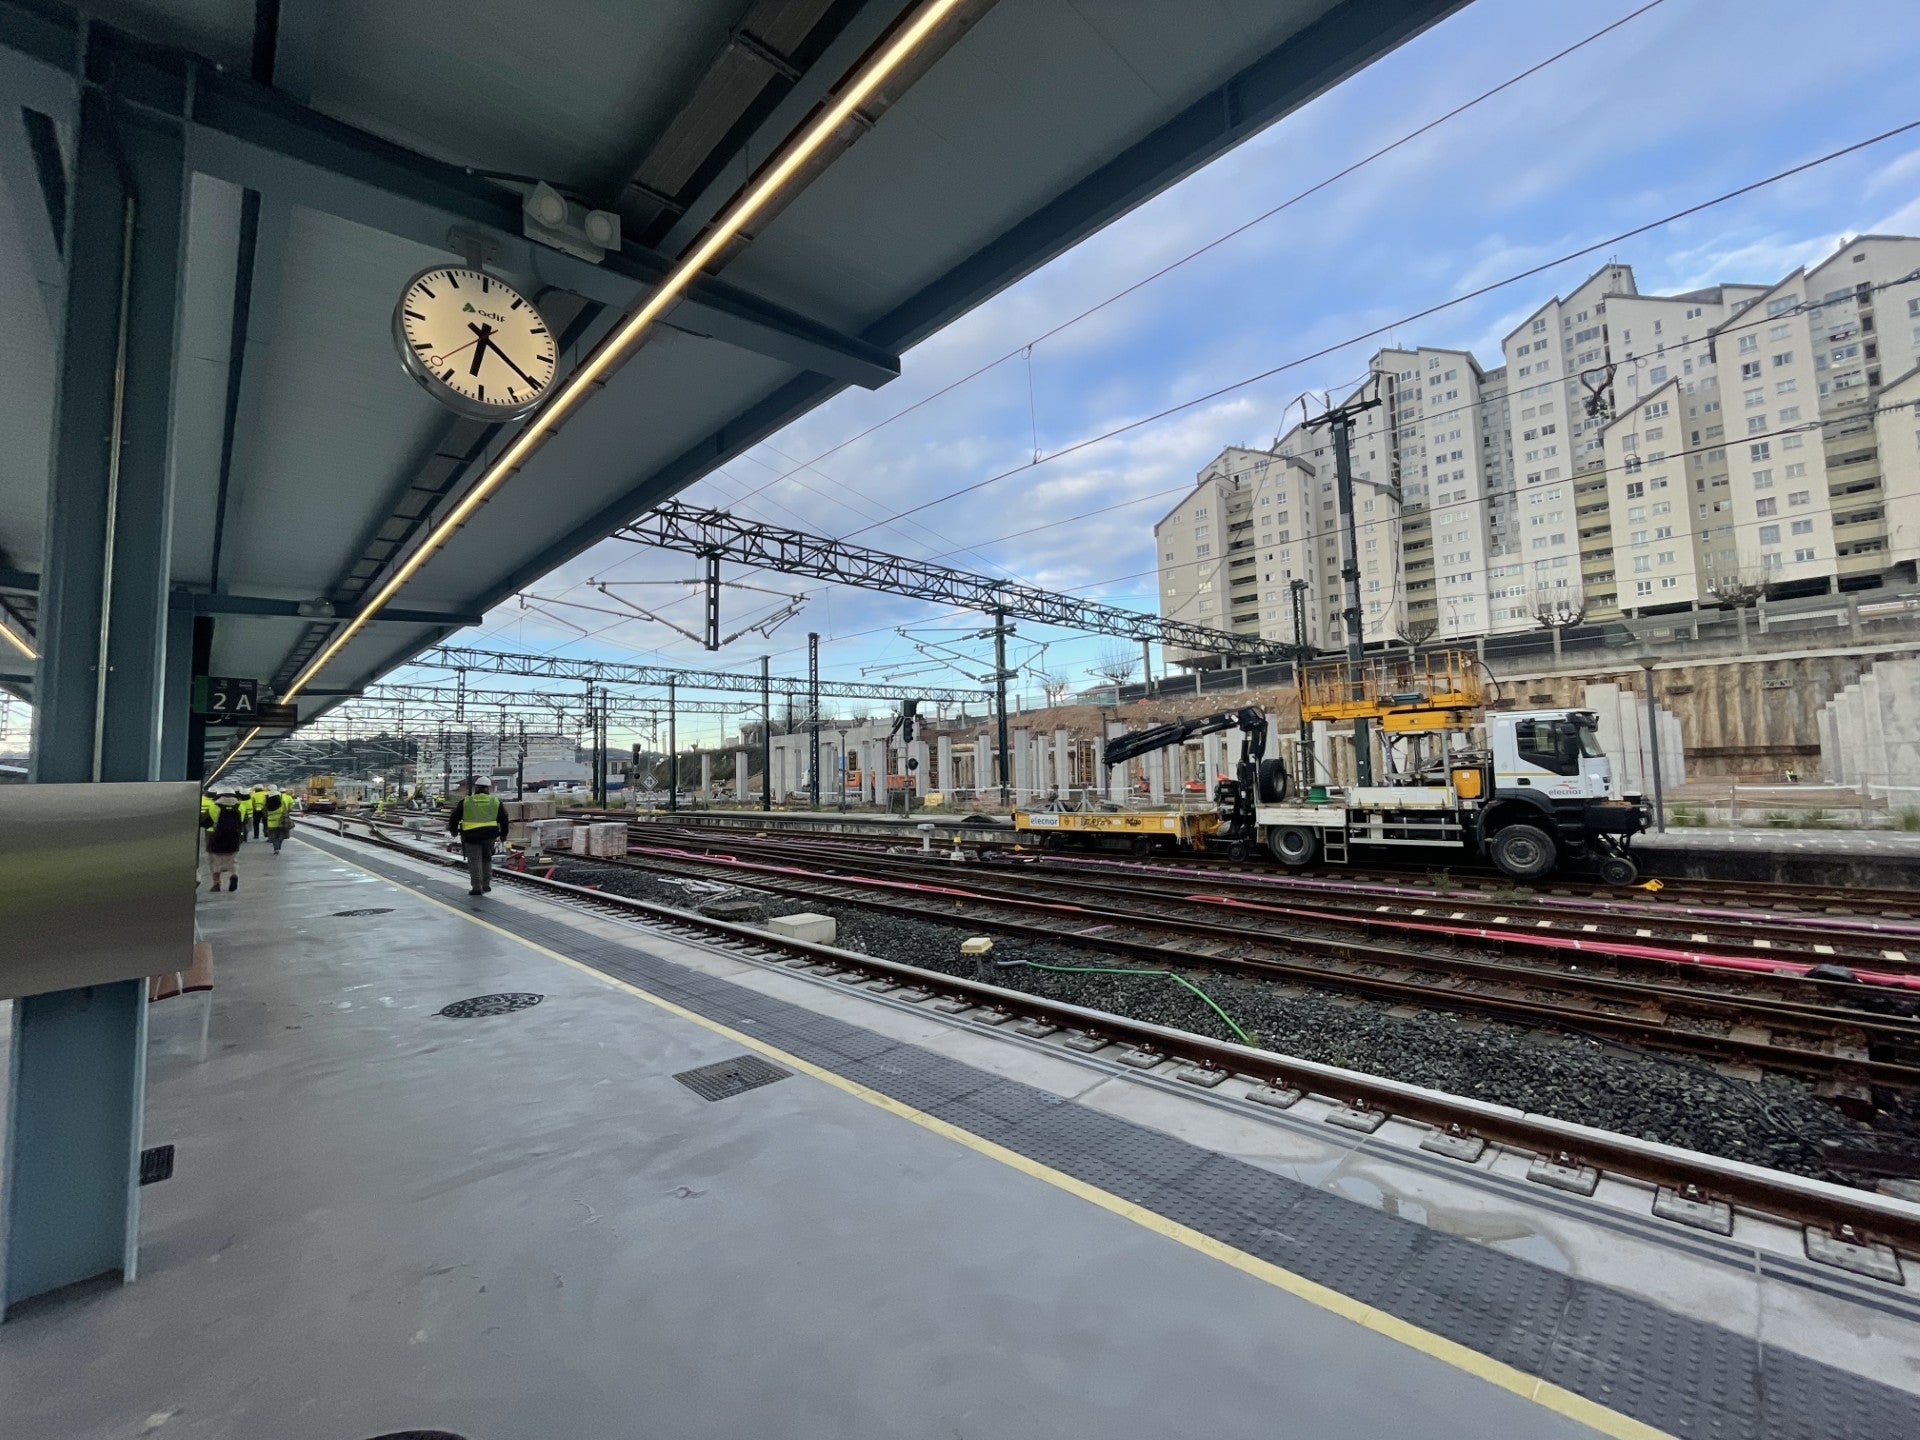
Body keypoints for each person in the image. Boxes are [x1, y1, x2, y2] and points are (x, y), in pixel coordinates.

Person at [447, 778, 506, 896]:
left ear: (476, 788)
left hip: (471, 835)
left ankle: (477, 887)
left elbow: (454, 817)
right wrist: (503, 834)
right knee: (487, 859)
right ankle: (486, 884)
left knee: (474, 861)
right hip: (489, 836)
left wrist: (453, 831)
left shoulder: (466, 801)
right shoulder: (495, 802)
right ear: (488, 788)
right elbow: (504, 819)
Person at [202, 790, 245, 892]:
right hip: (234, 838)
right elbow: (243, 821)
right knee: (233, 860)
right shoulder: (241, 807)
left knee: (215, 862)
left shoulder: (214, 807)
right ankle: (234, 875)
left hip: (217, 838)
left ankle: (216, 884)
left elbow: (204, 822)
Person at [261, 785, 294, 853]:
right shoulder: (281, 802)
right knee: (281, 836)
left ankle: (276, 848)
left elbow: (264, 813)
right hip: (280, 822)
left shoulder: (266, 803)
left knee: (273, 837)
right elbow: (286, 810)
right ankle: (278, 846)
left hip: (271, 822)